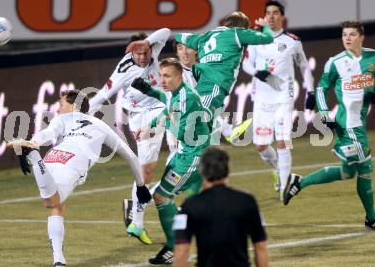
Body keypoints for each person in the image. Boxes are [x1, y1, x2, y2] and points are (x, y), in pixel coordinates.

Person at [7, 90, 152, 266]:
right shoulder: (100, 124)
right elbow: (131, 156)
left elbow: (47, 134)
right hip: (74, 160)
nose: (58, 108)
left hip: (52, 158)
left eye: (61, 104)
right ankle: (35, 158)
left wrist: (33, 143)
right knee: (53, 202)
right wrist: (140, 185)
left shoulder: (61, 120)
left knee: (56, 206)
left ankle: (59, 260)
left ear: (74, 105)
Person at [284, 21, 375, 231]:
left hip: (359, 122)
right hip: (348, 125)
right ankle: (372, 218)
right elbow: (322, 89)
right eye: (344, 35)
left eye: (352, 34)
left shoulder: (374, 57)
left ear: (362, 37)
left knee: (348, 172)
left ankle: (299, 182)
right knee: (366, 169)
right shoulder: (335, 62)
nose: (347, 38)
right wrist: (324, 114)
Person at [89, 28, 171, 244]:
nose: (143, 58)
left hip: (163, 107)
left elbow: (166, 31)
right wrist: (79, 115)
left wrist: (146, 41)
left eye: (145, 52)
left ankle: (136, 215)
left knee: (179, 157)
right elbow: (102, 95)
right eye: (138, 54)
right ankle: (137, 220)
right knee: (146, 170)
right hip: (142, 116)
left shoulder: (153, 49)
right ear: (131, 54)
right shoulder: (123, 68)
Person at [132, 58, 211, 264]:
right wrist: (148, 121)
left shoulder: (187, 99)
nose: (162, 80)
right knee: (163, 198)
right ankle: (177, 240)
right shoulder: (176, 94)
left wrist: (161, 122)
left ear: (179, 77)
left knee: (161, 196)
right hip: (183, 155)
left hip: (193, 156)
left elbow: (181, 131)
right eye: (161, 75)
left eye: (167, 76)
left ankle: (174, 245)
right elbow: (166, 105)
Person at [236, 0, 315, 199]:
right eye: (268, 13)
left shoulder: (292, 41)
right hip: (262, 99)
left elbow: (304, 67)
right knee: (261, 146)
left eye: (275, 13)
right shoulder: (256, 39)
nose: (271, 16)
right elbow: (246, 64)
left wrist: (311, 92)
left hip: (283, 97)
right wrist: (257, 73)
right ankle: (279, 171)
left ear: (282, 17)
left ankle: (286, 187)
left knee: (282, 141)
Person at [168, 11, 274, 142]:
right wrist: (266, 27)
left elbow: (178, 36)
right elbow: (268, 38)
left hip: (205, 83)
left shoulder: (203, 37)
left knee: (201, 113)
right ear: (242, 27)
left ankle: (227, 131)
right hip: (215, 84)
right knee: (200, 116)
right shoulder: (236, 33)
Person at [173, 146, 269, 267]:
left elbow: (182, 251)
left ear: (202, 170)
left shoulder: (189, 206)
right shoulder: (247, 201)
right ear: (227, 169)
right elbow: (260, 247)